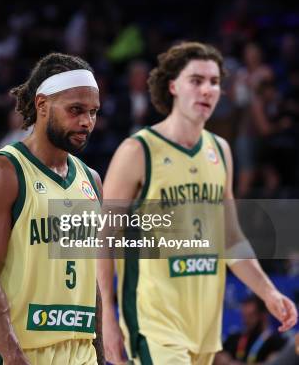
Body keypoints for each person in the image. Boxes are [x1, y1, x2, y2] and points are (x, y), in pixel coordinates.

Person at [97, 41, 297, 365]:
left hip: (205, 328)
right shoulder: (138, 151)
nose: (207, 90)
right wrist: (107, 314)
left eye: (215, 82)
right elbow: (104, 238)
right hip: (154, 325)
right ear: (173, 85)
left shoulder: (220, 151)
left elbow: (230, 240)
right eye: (197, 80)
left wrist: (268, 292)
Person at [0, 52, 104, 364]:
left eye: (93, 112)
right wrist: (14, 358)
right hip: (16, 350)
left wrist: (100, 352)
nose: (87, 121)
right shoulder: (2, 172)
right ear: (42, 106)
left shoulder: (91, 180)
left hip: (78, 349)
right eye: (76, 110)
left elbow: (87, 275)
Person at [215, 295, 288, 364]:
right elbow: (218, 358)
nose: (246, 321)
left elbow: (274, 363)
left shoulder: (277, 342)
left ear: (263, 316)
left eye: (251, 316)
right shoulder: (233, 338)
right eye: (244, 316)